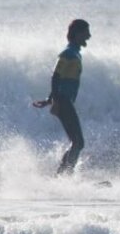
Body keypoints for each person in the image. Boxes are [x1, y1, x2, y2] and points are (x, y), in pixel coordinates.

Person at [33, 19, 91, 175]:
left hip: (64, 101)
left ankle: (61, 175)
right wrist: (54, 100)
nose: (89, 36)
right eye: (86, 33)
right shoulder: (68, 53)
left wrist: (49, 99)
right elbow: (55, 76)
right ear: (77, 34)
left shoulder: (75, 53)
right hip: (63, 101)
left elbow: (60, 80)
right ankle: (65, 176)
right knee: (78, 142)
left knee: (76, 142)